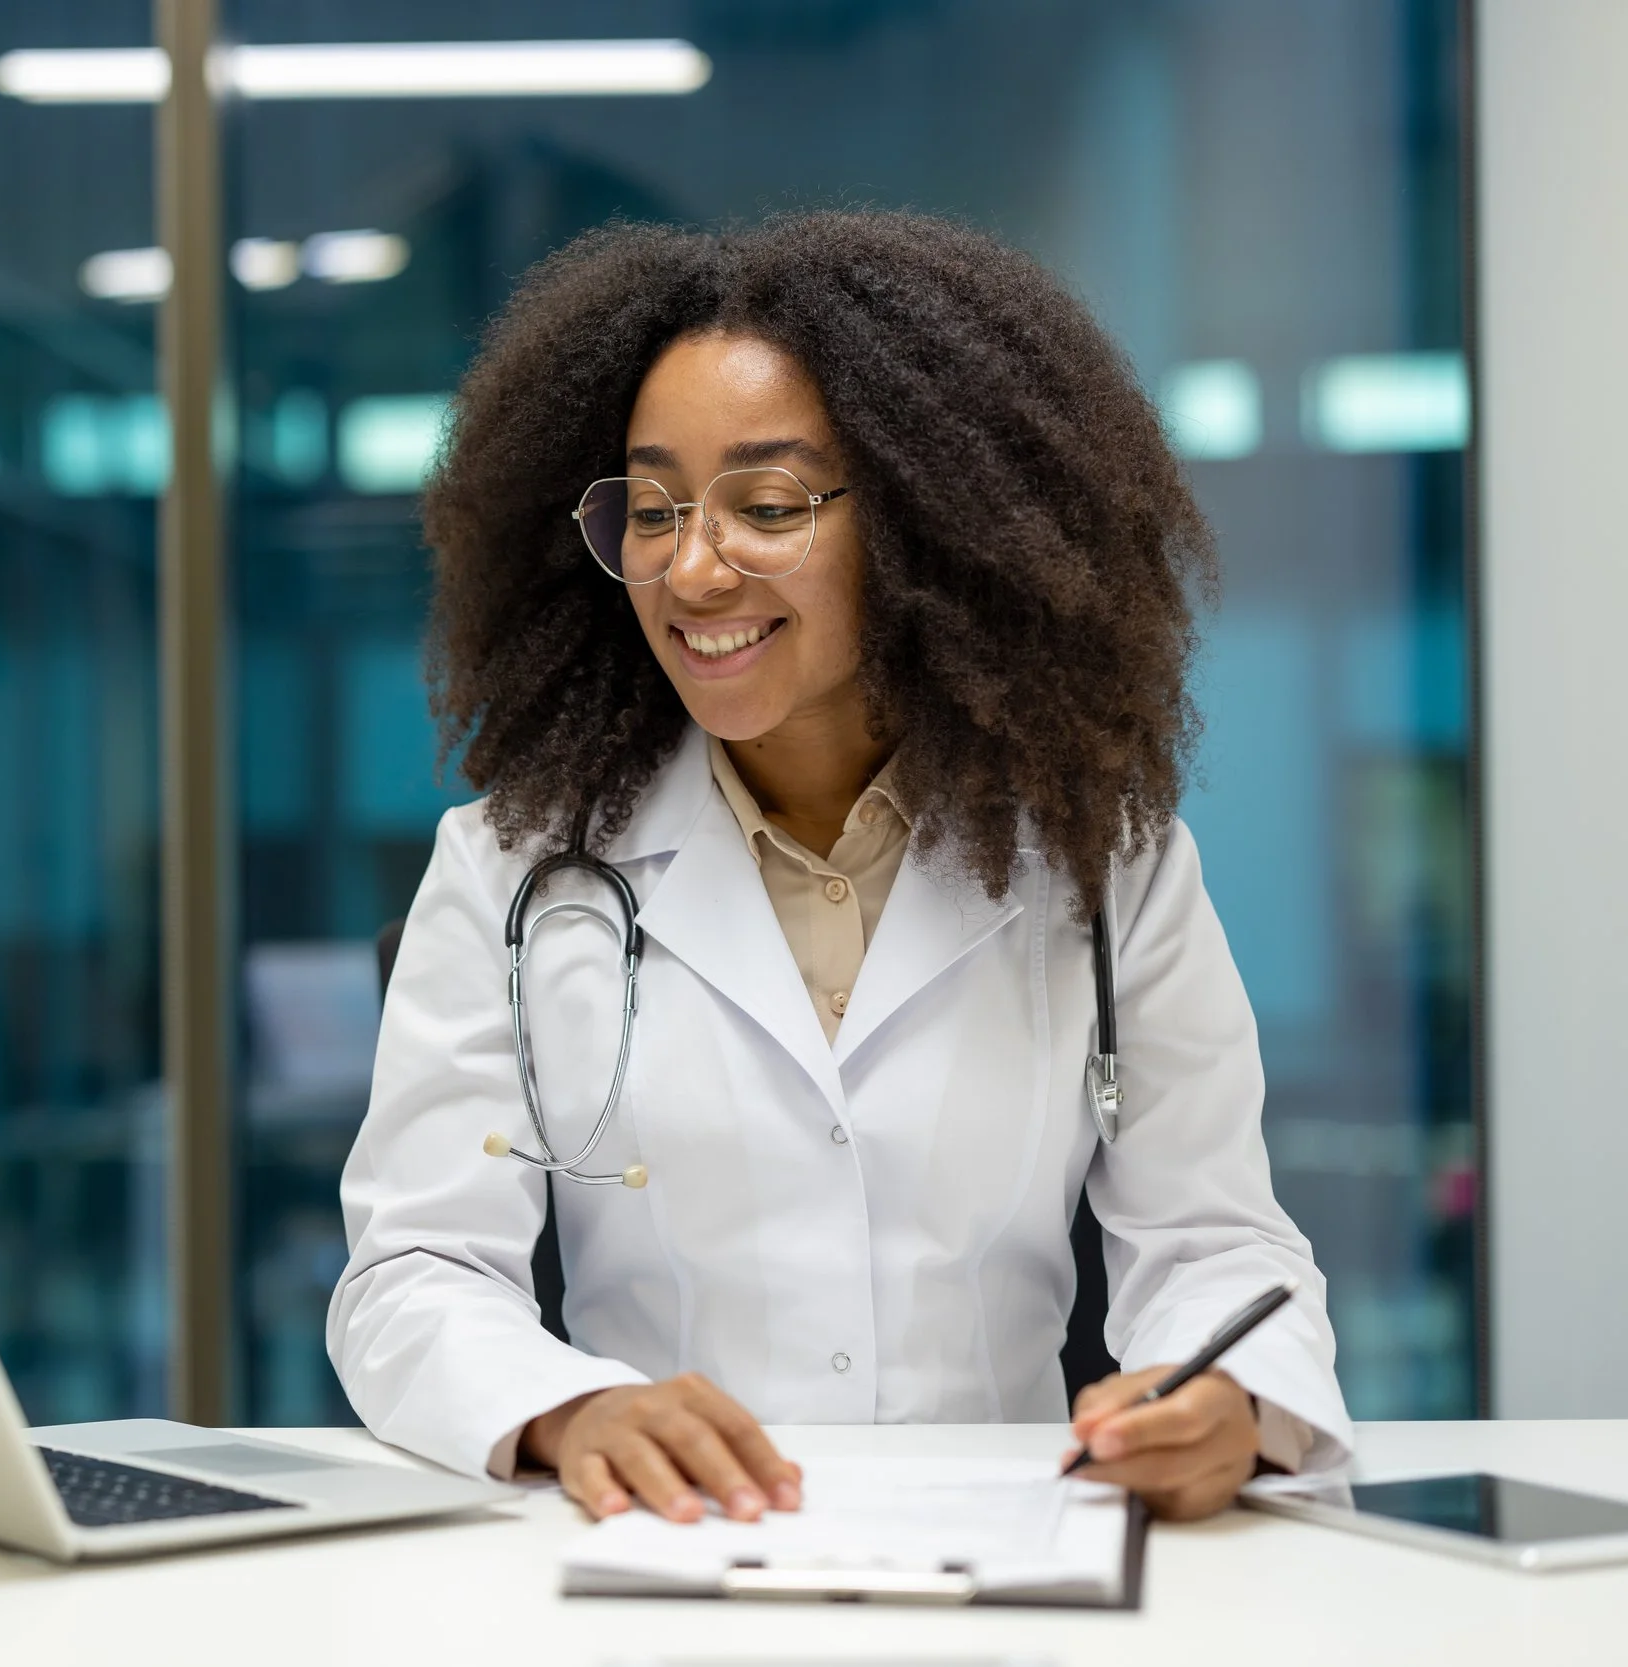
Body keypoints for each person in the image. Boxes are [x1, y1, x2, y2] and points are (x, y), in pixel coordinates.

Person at [325, 211, 1350, 1526]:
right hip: (661, 1562)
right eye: (650, 508)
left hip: (1009, 1560)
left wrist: (1234, 1402)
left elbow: (1219, 1245)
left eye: (765, 504)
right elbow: (412, 1274)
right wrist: (573, 1407)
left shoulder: (1109, 863)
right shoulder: (509, 869)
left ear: (931, 520)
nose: (692, 567)